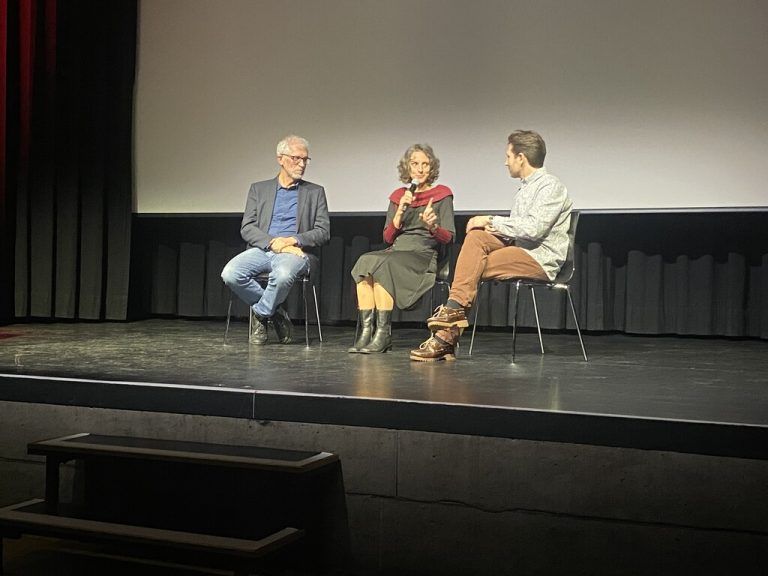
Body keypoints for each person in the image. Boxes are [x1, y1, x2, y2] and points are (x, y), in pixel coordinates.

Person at [410, 130, 572, 362]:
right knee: (476, 237)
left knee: (473, 268)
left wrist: (490, 220)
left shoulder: (550, 186)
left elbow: (534, 229)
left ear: (521, 158)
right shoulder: (525, 188)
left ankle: (446, 337)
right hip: (521, 248)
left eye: (508, 156)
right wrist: (485, 227)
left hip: (540, 257)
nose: (505, 162)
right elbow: (518, 229)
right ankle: (452, 316)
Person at [221, 135, 330, 345]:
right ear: (280, 158)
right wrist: (273, 243)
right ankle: (276, 313)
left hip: (296, 253)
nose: (302, 164)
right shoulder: (258, 189)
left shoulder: (315, 192)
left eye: (305, 159)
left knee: (282, 274)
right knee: (231, 273)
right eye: (296, 158)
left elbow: (323, 231)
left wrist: (292, 240)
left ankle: (261, 314)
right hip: (263, 249)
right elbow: (247, 227)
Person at [349, 144, 455, 353]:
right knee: (365, 261)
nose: (421, 169)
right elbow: (388, 238)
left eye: (425, 164)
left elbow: (449, 238)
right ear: (407, 168)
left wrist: (433, 226)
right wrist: (399, 214)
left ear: (432, 168)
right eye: (415, 164)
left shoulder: (442, 194)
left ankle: (383, 334)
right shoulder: (398, 196)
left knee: (382, 266)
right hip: (397, 251)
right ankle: (367, 331)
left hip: (423, 254)